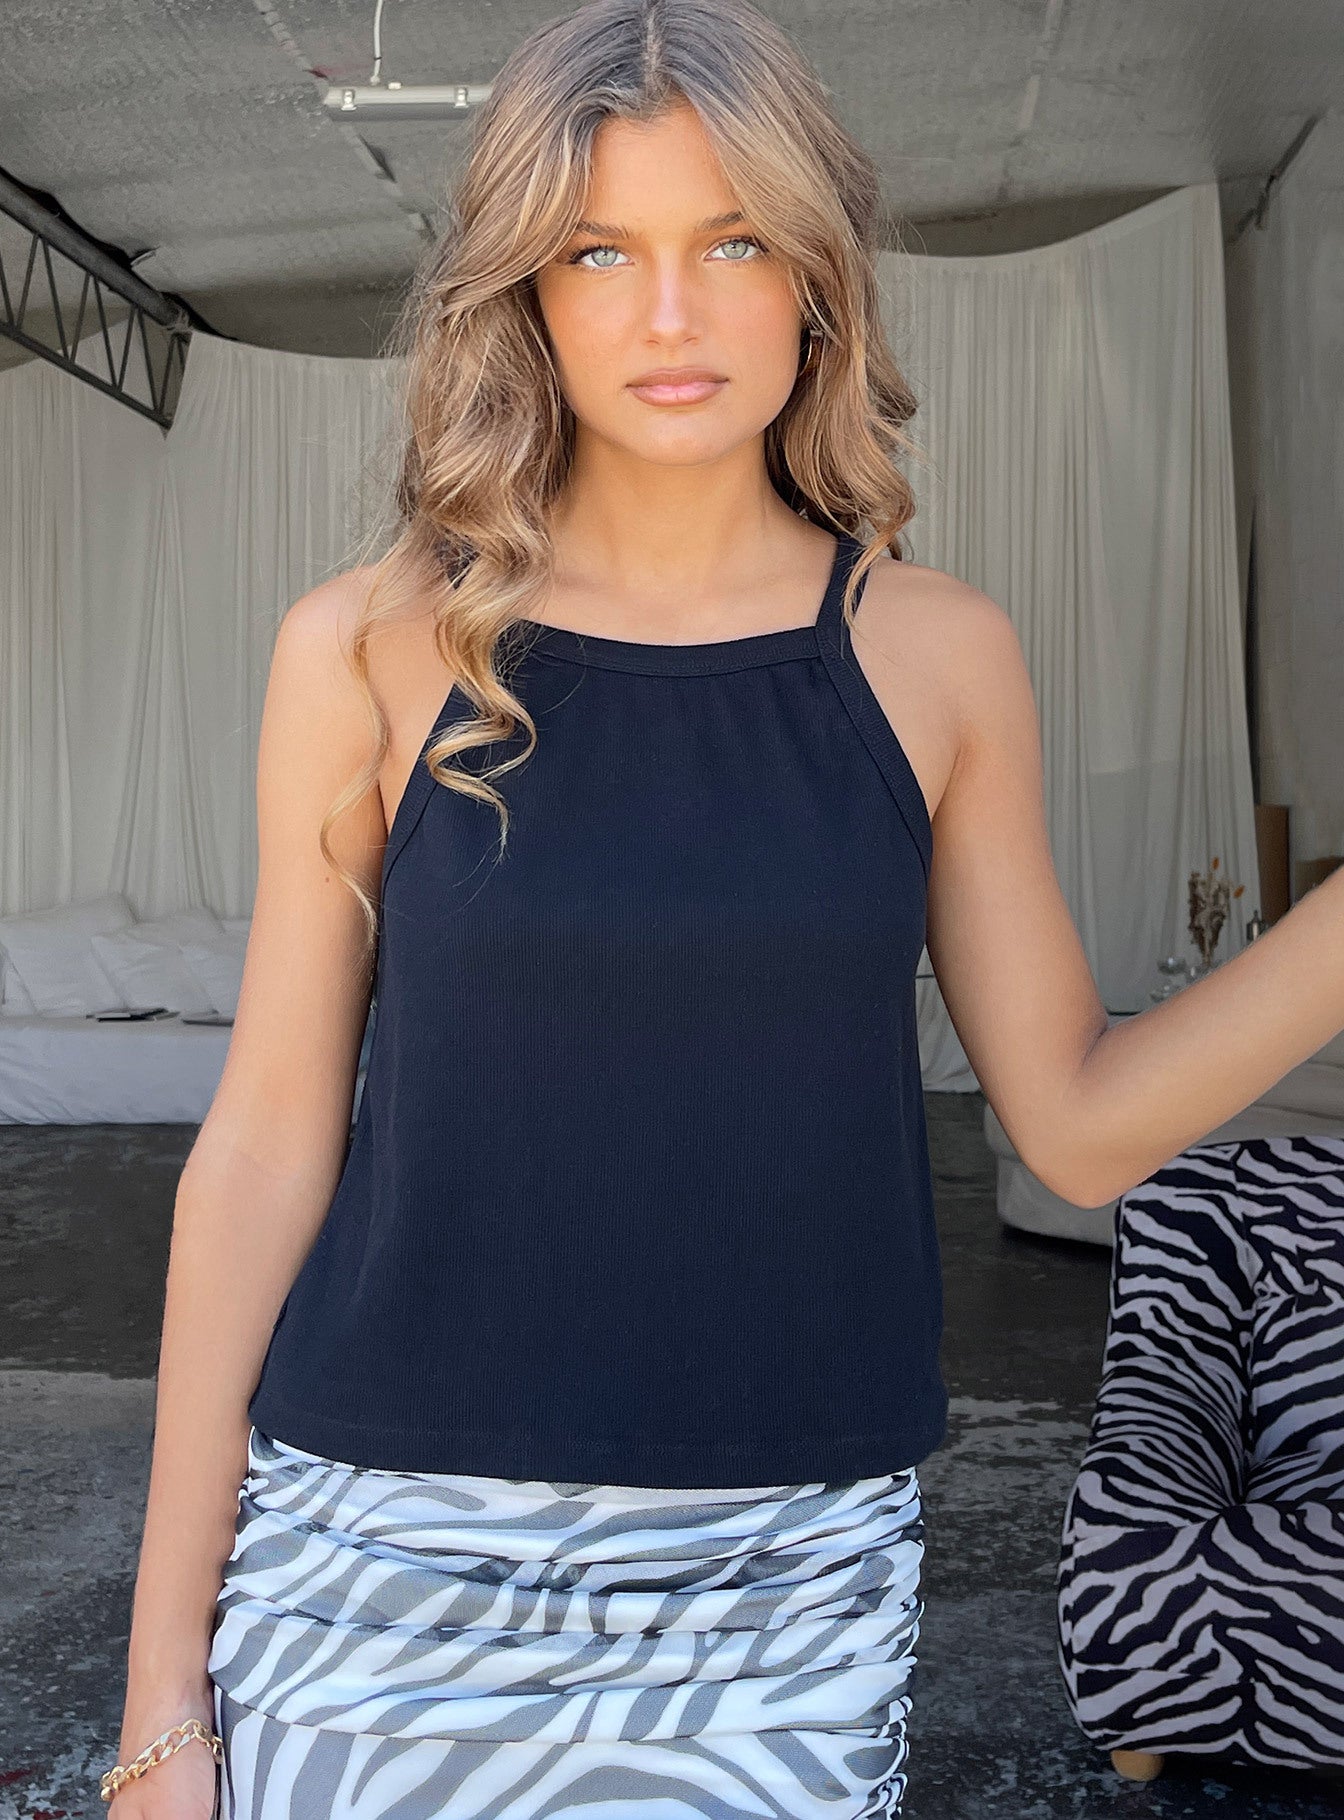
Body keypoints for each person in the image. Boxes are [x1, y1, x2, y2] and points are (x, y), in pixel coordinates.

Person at [103, 0, 1344, 1815]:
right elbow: (263, 1153)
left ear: (817, 280)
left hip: (784, 1575)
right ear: (525, 294)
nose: (669, 313)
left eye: (735, 242)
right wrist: (161, 1696)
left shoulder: (935, 658)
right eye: (600, 251)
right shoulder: (367, 648)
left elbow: (1078, 1128)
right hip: (380, 1553)